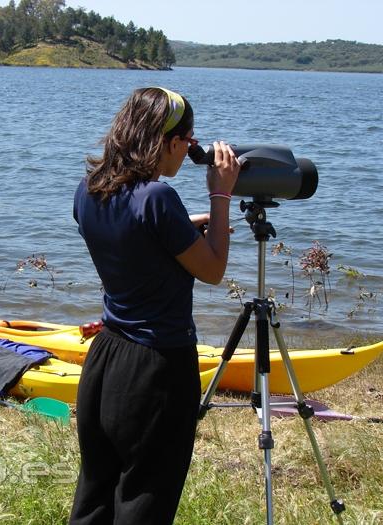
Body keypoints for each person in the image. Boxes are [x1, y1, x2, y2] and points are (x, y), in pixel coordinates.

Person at [70, 87, 241, 525]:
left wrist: (184, 227)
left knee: (95, 499)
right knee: (145, 501)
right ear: (165, 140)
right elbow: (213, 270)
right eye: (187, 141)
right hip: (157, 369)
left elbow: (137, 240)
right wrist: (220, 197)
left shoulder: (88, 190)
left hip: (106, 360)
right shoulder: (159, 199)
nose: (189, 152)